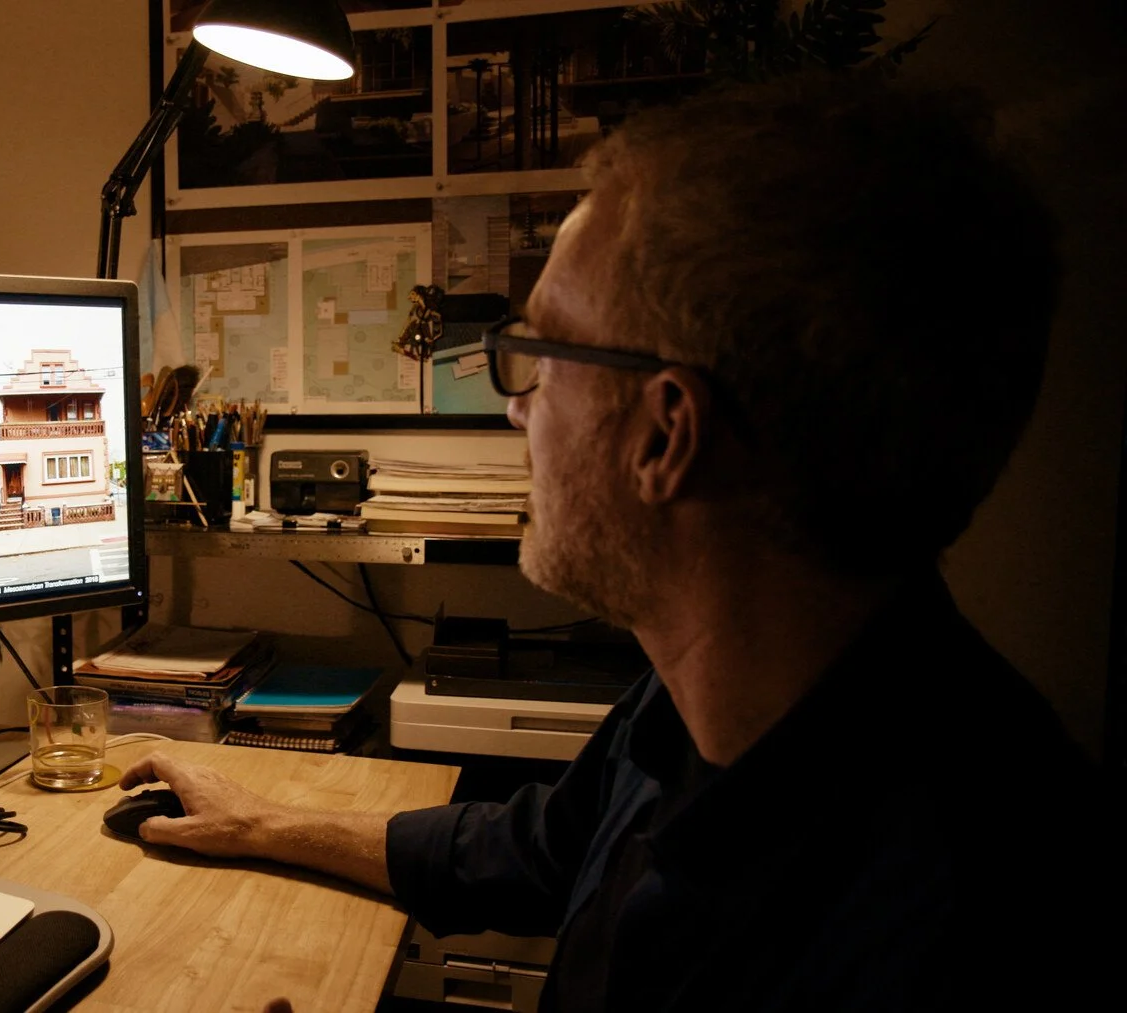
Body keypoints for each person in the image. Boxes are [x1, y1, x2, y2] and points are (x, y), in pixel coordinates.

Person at [123, 75, 1104, 1011]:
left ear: (665, 435)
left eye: (537, 354)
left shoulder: (956, 929)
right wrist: (258, 820)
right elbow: (536, 848)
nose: (518, 414)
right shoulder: (700, 703)